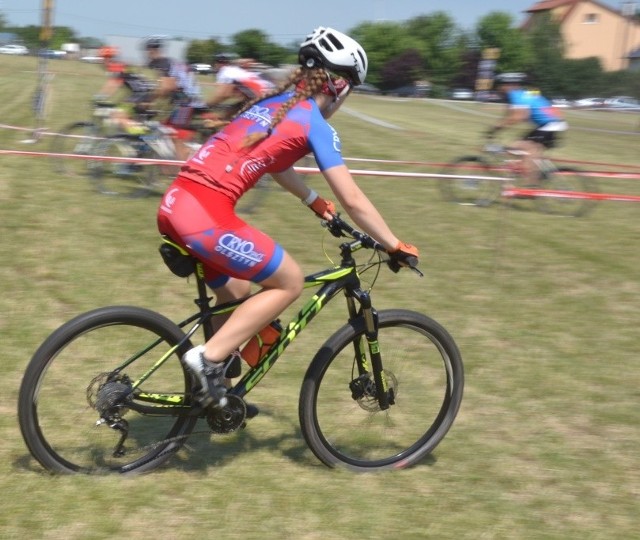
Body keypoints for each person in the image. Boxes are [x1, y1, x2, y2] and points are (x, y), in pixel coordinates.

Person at [157, 27, 419, 414]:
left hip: (176, 204)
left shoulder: (274, 105)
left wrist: (315, 202)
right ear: (339, 86)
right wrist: (393, 244)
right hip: (205, 214)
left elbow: (278, 166)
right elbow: (354, 198)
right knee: (289, 281)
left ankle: (218, 399)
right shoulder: (314, 122)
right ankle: (208, 359)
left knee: (236, 293)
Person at [486, 72, 568, 186]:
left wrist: (495, 129)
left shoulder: (515, 95)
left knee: (523, 148)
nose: (498, 89)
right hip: (551, 123)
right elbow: (509, 116)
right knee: (521, 149)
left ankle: (531, 187)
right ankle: (534, 175)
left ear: (507, 85)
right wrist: (498, 127)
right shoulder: (521, 94)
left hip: (550, 124)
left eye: (499, 86)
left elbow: (518, 116)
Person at [143, 36, 208, 159]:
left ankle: (182, 166)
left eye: (147, 51)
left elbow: (167, 87)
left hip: (186, 103)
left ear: (151, 50)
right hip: (188, 101)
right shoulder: (170, 61)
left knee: (176, 136)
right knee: (165, 127)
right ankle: (172, 163)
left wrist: (148, 99)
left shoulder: (163, 63)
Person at [206, 52, 275, 116]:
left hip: (261, 95)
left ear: (216, 63)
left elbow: (223, 95)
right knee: (234, 109)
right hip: (269, 91)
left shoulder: (225, 72)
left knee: (233, 114)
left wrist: (205, 106)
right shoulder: (234, 70)